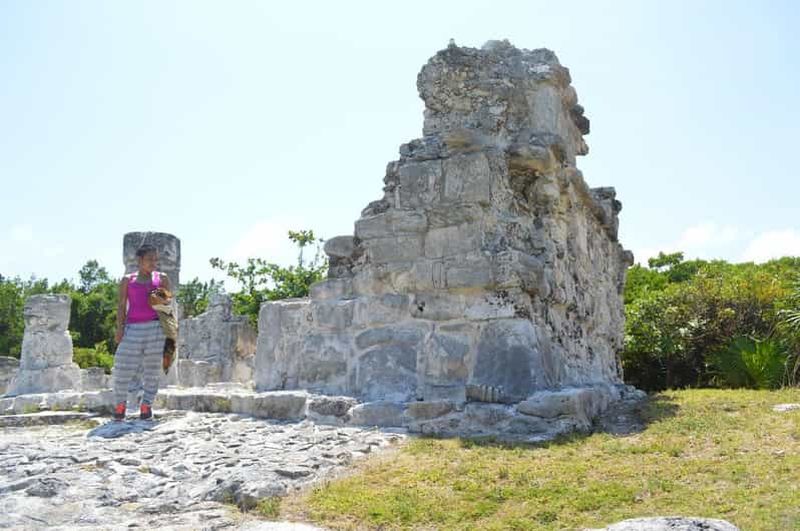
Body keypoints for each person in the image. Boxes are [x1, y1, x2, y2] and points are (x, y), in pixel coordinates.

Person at [112, 244, 171, 421]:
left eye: (155, 259)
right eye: (149, 259)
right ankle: (120, 404)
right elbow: (122, 305)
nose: (153, 262)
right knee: (122, 367)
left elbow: (166, 307)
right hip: (133, 328)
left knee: (152, 370)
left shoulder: (162, 278)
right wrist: (120, 329)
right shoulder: (127, 280)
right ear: (140, 260)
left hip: (155, 328)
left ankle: (146, 406)